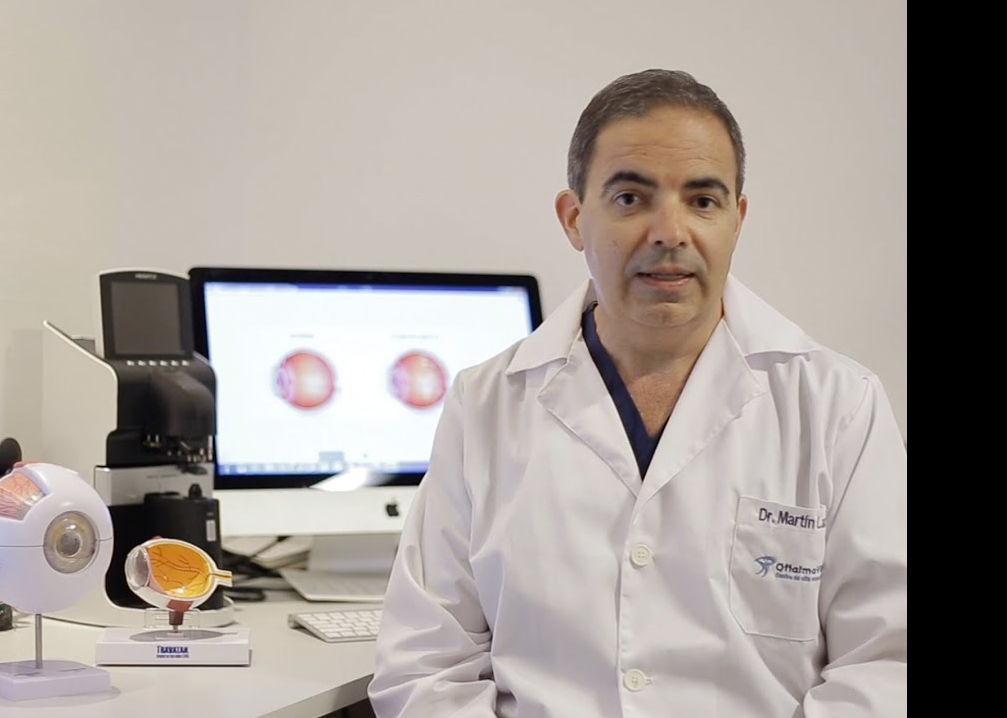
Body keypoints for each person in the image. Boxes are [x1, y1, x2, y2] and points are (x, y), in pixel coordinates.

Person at [367, 68, 906, 717]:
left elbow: (887, 661)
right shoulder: (485, 405)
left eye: (702, 201)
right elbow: (426, 663)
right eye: (631, 198)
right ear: (574, 218)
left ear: (736, 220)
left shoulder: (838, 405)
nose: (669, 232)